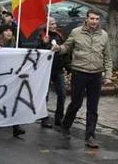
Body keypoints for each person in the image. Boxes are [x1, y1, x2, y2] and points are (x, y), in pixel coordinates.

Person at [51, 9, 113, 148]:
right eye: (92, 19)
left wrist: (108, 75)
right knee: (76, 103)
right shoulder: (76, 32)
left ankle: (90, 136)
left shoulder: (104, 35)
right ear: (86, 19)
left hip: (96, 74)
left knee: (93, 106)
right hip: (79, 73)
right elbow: (67, 47)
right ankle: (66, 125)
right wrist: (58, 48)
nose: (94, 22)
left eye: (97, 19)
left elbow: (108, 57)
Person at [37, 17, 70, 128]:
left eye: (55, 23)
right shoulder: (41, 36)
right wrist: (44, 43)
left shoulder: (60, 36)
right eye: (52, 24)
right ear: (47, 26)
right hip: (46, 69)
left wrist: (68, 67)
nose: (55, 26)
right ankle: (44, 118)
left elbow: (64, 52)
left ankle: (59, 117)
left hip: (58, 69)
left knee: (62, 93)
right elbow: (38, 51)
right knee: (45, 94)